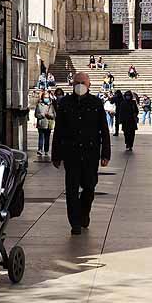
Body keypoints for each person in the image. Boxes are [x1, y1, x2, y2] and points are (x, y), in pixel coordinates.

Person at [51, 72, 111, 235]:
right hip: (71, 153)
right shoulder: (65, 103)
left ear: (89, 85)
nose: (79, 85)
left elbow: (104, 130)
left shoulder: (96, 103)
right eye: (77, 82)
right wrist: (56, 154)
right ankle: (75, 222)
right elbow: (58, 130)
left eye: (83, 83)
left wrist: (105, 153)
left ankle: (84, 213)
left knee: (89, 187)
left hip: (90, 153)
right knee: (71, 190)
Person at [35, 91, 56, 158]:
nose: (46, 99)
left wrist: (50, 115)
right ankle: (40, 150)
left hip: (48, 125)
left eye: (47, 97)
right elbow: (36, 114)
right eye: (45, 97)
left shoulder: (51, 105)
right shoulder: (39, 105)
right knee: (41, 138)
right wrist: (43, 115)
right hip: (41, 124)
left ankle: (46, 150)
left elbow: (54, 114)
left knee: (47, 138)